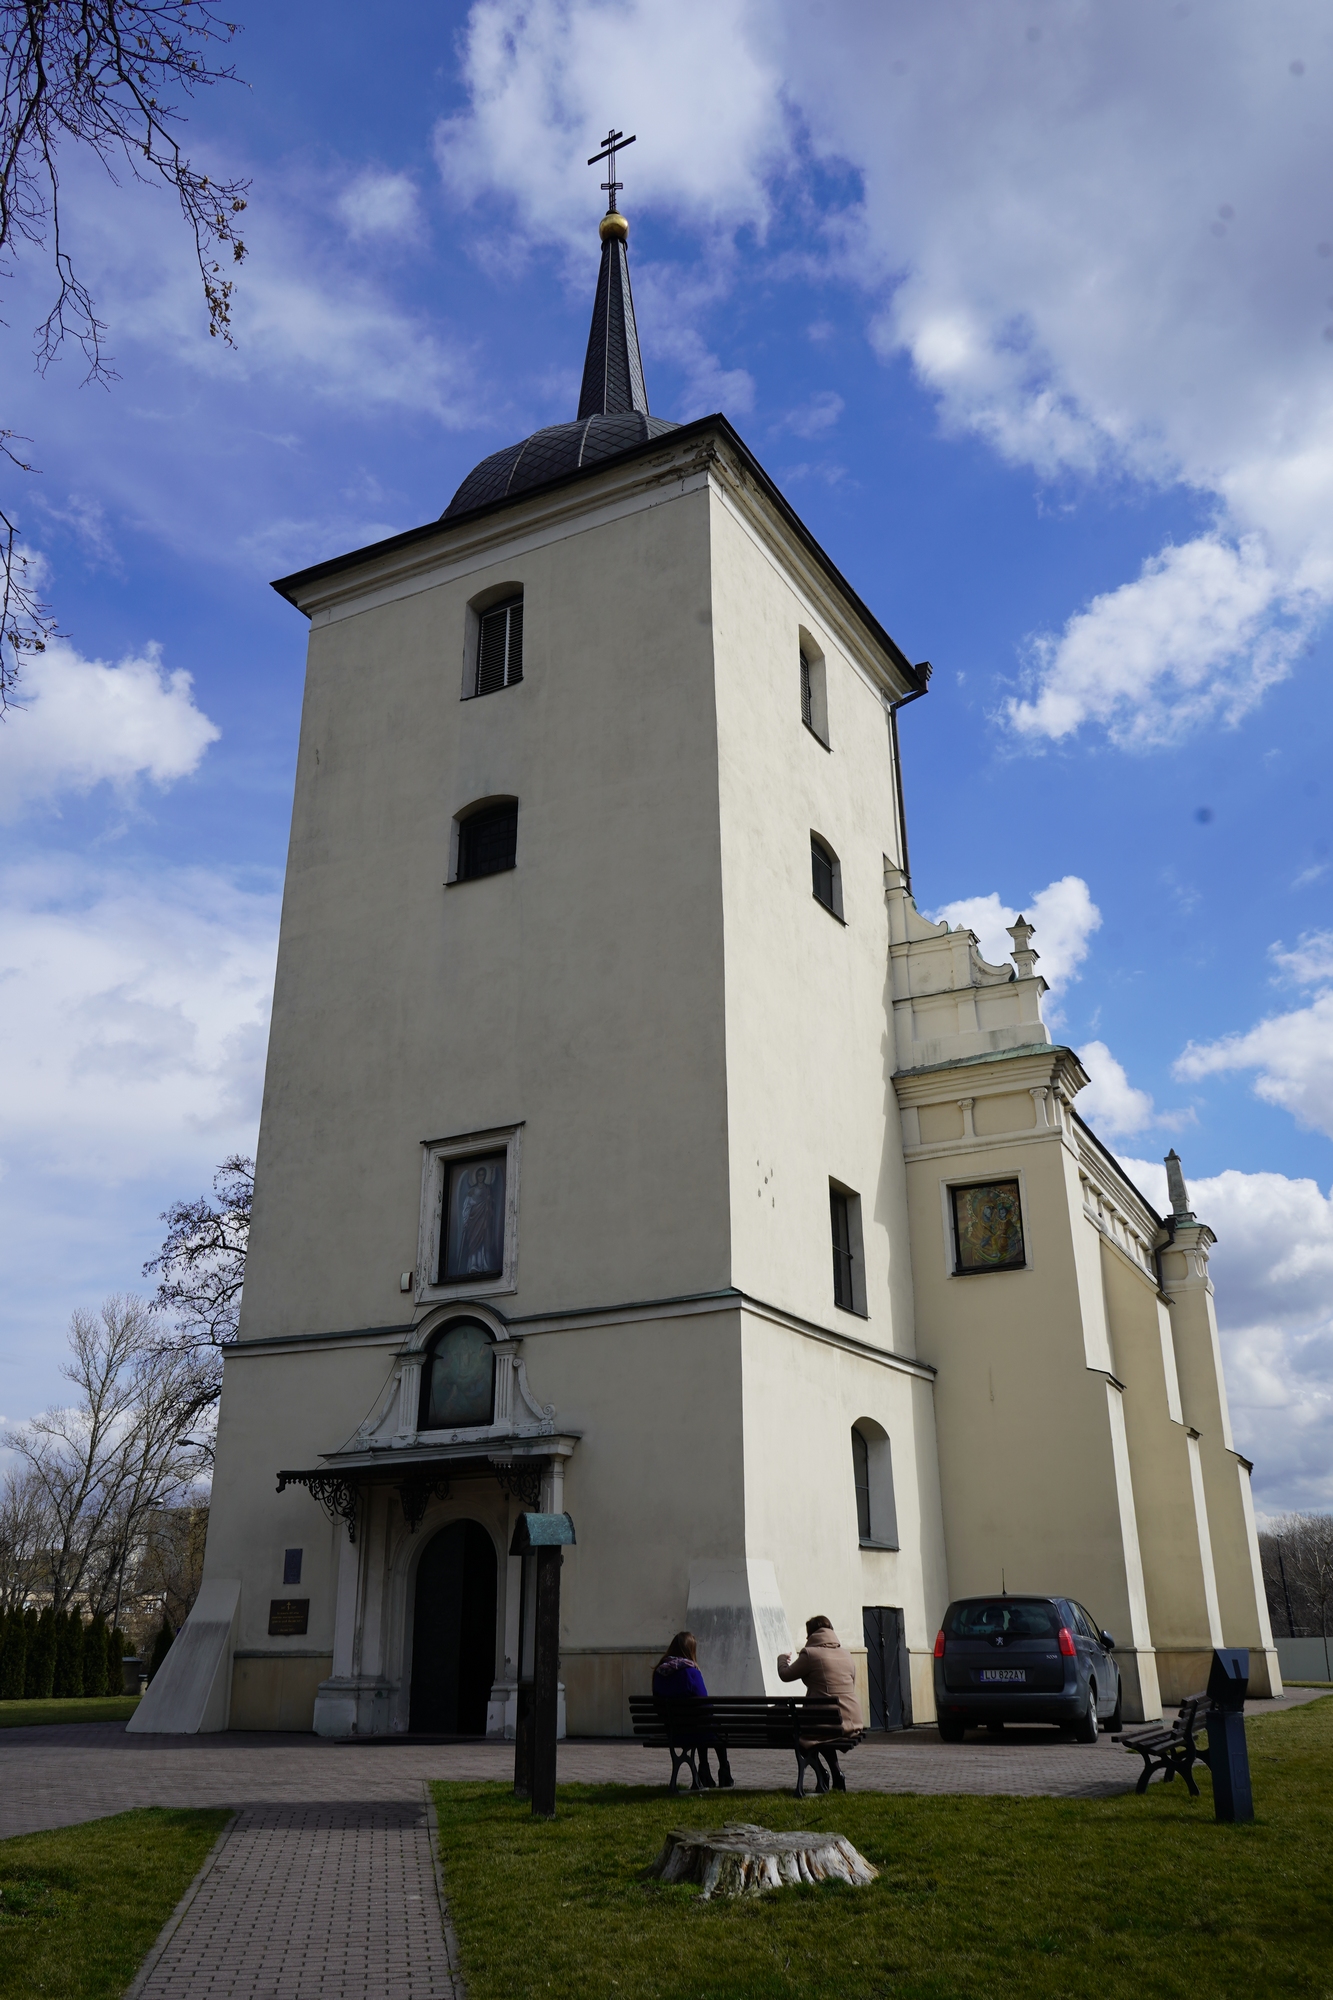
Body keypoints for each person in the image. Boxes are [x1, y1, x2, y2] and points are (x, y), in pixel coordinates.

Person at [777, 1615, 863, 1791]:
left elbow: (785, 1675)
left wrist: (781, 1660)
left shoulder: (810, 1654)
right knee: (820, 1732)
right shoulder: (846, 1654)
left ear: (811, 1634)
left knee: (801, 1734)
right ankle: (837, 1774)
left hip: (826, 1723)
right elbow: (851, 1684)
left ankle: (822, 1773)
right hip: (851, 1721)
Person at [652, 1630, 733, 1788]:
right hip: (694, 1730)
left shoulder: (659, 1672)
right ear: (690, 1650)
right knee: (711, 1725)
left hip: (673, 1731)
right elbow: (705, 1705)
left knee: (702, 1725)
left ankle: (704, 1770)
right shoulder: (690, 1671)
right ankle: (724, 1772)